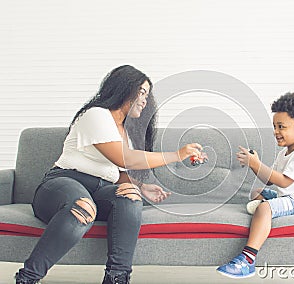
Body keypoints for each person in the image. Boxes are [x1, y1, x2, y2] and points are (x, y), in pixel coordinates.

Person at [15, 65, 203, 284]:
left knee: (130, 195)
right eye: (141, 92)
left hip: (101, 190)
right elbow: (124, 158)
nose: (145, 99)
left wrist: (141, 188)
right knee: (83, 206)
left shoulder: (128, 133)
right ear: (124, 88)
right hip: (62, 184)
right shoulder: (96, 115)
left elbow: (117, 172)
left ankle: (116, 278)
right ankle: (28, 277)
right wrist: (178, 154)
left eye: (147, 94)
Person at [216, 91, 294, 279]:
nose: (275, 131)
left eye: (281, 126)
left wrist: (256, 164)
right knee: (257, 192)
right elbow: (269, 180)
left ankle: (247, 260)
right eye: (274, 126)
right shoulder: (284, 153)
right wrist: (254, 163)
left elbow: (283, 181)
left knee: (265, 209)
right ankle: (264, 208)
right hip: (290, 196)